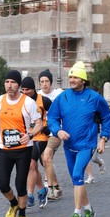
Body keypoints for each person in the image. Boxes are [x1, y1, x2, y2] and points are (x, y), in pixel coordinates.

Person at [47, 61, 110, 217]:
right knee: (77, 180)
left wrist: (103, 138)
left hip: (87, 144)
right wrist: (57, 131)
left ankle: (77, 214)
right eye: (70, 76)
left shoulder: (95, 98)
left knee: (78, 175)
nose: (72, 79)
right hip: (69, 145)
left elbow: (107, 118)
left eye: (75, 76)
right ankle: (89, 209)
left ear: (83, 80)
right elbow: (52, 117)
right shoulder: (63, 97)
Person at [0, 70, 42, 217]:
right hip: (5, 149)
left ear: (19, 85)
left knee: (20, 184)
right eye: (7, 82)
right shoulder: (0, 100)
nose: (9, 85)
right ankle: (13, 203)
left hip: (23, 149)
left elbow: (39, 123)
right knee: (2, 184)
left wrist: (30, 134)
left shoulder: (28, 102)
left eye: (13, 82)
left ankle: (22, 215)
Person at [20, 76, 51, 209]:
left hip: (40, 137)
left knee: (31, 165)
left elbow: (56, 115)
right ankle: (42, 190)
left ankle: (30, 195)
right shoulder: (20, 101)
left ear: (33, 89)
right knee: (33, 168)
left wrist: (48, 127)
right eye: (23, 89)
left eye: (28, 89)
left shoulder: (44, 101)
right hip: (26, 137)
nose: (25, 92)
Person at [38, 69, 64, 200]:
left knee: (47, 158)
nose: (44, 84)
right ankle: (56, 186)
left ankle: (48, 186)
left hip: (56, 132)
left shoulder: (59, 94)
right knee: (45, 161)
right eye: (42, 81)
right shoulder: (37, 96)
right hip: (41, 132)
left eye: (46, 81)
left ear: (51, 82)